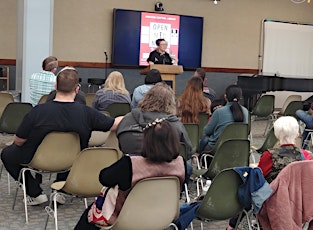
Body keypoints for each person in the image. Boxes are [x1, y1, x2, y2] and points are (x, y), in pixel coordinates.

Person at [0, 67, 122, 205]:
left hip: (36, 159)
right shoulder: (87, 113)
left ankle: (35, 192)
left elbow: (19, 140)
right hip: (72, 161)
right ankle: (61, 191)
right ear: (77, 89)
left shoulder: (38, 111)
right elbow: (114, 124)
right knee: (73, 152)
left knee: (7, 154)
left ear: (55, 86)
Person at [75, 119, 185, 229]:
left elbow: (104, 178)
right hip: (163, 218)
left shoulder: (130, 164)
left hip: (126, 219)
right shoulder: (181, 164)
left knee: (90, 216)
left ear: (146, 141)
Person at [226, 116, 312, 230]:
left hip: (273, 200)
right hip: (298, 199)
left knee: (249, 189)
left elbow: (260, 177)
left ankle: (232, 226)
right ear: (297, 135)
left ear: (276, 135)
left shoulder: (269, 155)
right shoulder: (305, 156)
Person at [117, 82, 192, 157]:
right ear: (170, 102)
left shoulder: (128, 118)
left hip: (132, 165)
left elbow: (120, 145)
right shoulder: (175, 124)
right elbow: (187, 151)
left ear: (146, 97)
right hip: (164, 166)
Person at [198, 85, 249, 153]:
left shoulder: (219, 112)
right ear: (240, 97)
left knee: (205, 139)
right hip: (238, 148)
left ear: (225, 96)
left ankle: (198, 156)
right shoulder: (246, 111)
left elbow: (207, 131)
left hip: (217, 148)